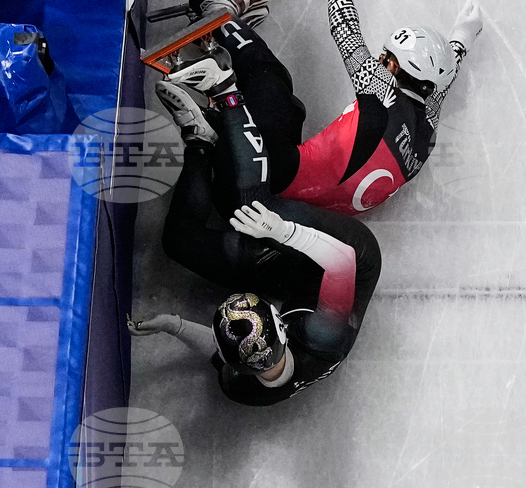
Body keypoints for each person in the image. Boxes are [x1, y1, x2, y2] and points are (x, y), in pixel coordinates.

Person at [161, 0, 484, 215]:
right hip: (292, 211)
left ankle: (218, 13)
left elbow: (344, 27)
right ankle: (221, 119)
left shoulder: (381, 90)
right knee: (292, 111)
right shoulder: (428, 122)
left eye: (385, 56)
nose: (378, 59)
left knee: (270, 76)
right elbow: (446, 78)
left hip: (271, 172)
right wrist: (462, 36)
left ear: (393, 67)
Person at [133, 63, 381, 405]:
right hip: (348, 257)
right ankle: (226, 90)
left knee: (178, 243)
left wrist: (173, 325)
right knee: (255, 208)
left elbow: (220, 352)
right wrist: (283, 231)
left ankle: (200, 141)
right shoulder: (322, 334)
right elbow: (343, 263)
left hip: (297, 285)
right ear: (280, 324)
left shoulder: (244, 386)